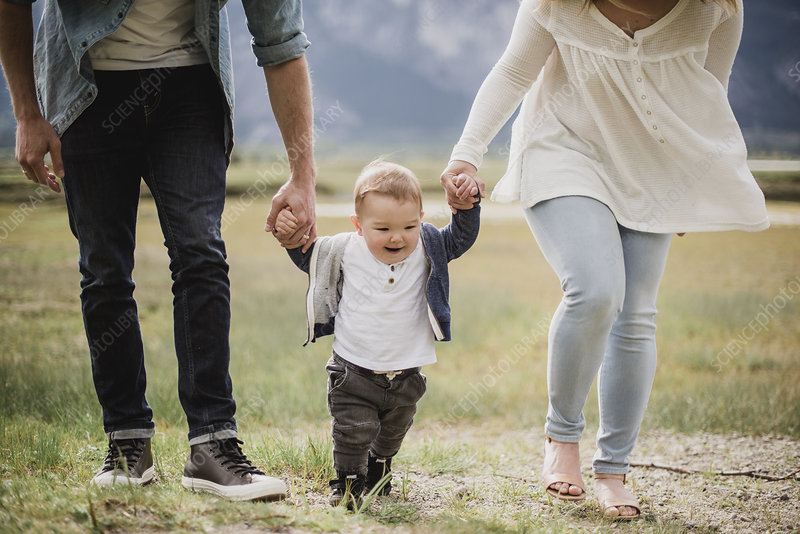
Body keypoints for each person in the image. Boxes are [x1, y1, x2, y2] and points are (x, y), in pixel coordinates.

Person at [441, 0, 767, 520]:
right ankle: (562, 439)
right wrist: (466, 154)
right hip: (562, 150)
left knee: (636, 313)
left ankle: (613, 469)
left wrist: (696, 180)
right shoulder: (555, 5)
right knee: (595, 291)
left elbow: (708, 91)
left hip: (652, 167)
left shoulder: (716, 8)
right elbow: (511, 73)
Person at [0, 0, 316, 501]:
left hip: (192, 87)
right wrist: (26, 113)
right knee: (104, 269)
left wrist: (302, 176)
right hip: (87, 88)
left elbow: (281, 41)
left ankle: (212, 445)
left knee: (202, 254)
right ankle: (127, 443)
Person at [272, 160, 480, 508]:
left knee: (392, 432)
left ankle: (379, 466)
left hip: (407, 374)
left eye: (409, 225)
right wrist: (290, 233)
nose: (397, 237)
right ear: (359, 225)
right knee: (352, 431)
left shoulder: (428, 246)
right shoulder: (344, 250)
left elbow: (461, 237)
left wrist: (466, 208)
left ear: (421, 217)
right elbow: (308, 257)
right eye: (382, 228)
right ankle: (348, 484)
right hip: (353, 370)